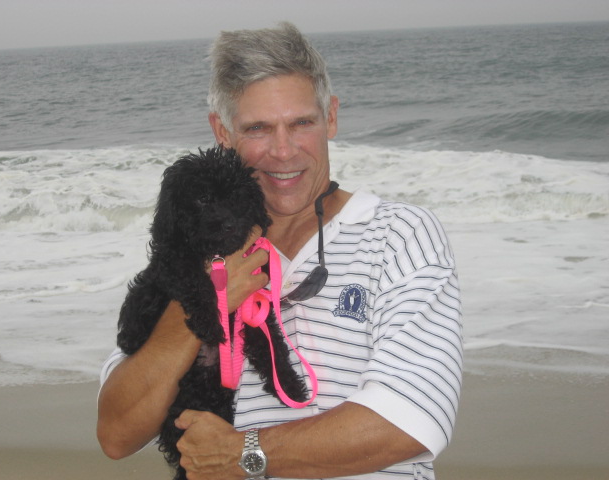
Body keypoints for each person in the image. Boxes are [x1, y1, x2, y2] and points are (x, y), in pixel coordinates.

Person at [97, 22, 462, 480]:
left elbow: (413, 420)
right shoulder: (193, 250)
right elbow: (116, 432)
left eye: (301, 123)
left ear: (330, 116)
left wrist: (243, 453)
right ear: (222, 132)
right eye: (258, 129)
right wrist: (207, 301)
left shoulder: (400, 235)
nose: (283, 150)